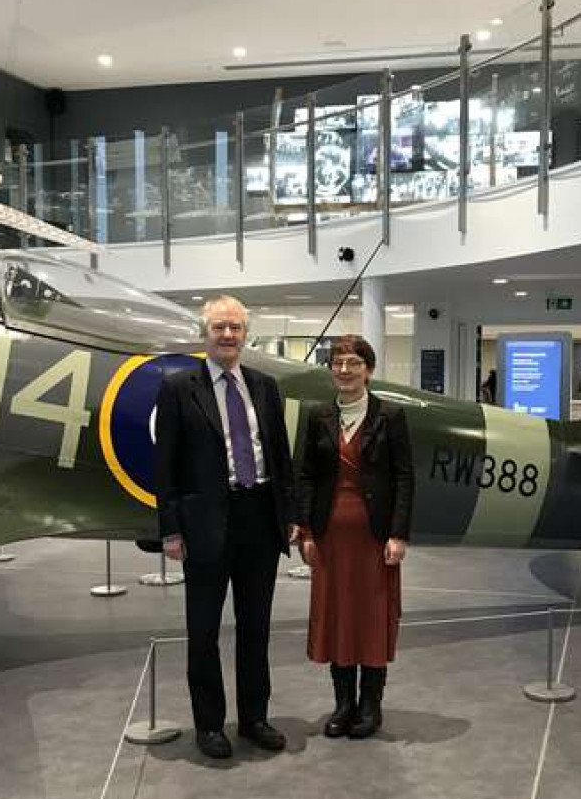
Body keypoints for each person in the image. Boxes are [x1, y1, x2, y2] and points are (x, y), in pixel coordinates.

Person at [154, 295, 296, 760]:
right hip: (205, 525)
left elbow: (280, 457)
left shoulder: (265, 387)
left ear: (246, 333)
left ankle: (254, 718)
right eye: (220, 327)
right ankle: (210, 725)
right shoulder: (178, 388)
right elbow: (166, 466)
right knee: (204, 632)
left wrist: (289, 515)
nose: (229, 335)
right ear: (205, 333)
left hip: (259, 518)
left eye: (235, 327)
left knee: (256, 628)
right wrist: (171, 530)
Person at [297, 335, 415, 740]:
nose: (344, 370)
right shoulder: (317, 416)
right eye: (337, 363)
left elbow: (404, 478)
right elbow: (307, 476)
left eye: (353, 363)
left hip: (374, 537)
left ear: (368, 369)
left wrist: (398, 534)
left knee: (371, 617)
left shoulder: (390, 416)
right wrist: (307, 531)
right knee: (337, 617)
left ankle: (371, 706)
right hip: (331, 537)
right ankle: (343, 704)